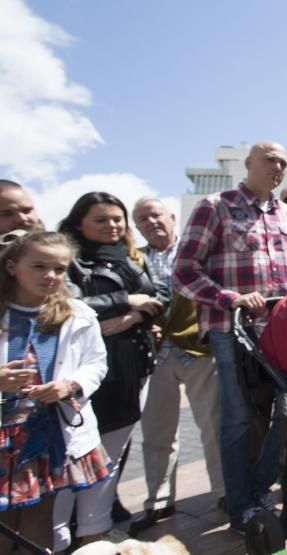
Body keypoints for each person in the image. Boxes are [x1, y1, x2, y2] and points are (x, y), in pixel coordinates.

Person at [173, 141, 287, 533]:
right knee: (237, 420)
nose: (278, 166)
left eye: (283, 162)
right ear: (248, 163)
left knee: (285, 412)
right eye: (270, 159)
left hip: (279, 333)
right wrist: (229, 299)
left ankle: (258, 490)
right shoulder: (215, 205)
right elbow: (183, 271)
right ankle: (241, 505)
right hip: (229, 330)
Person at [55, 192, 169, 547]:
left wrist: (133, 315)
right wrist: (126, 302)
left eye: (117, 219)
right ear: (79, 223)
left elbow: (159, 294)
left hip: (134, 361)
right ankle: (66, 530)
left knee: (114, 449)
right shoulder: (68, 260)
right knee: (78, 450)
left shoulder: (132, 258)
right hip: (88, 370)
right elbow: (69, 303)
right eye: (101, 220)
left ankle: (96, 527)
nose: (112, 226)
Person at [0, 232, 109, 554]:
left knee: (39, 519)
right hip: (5, 435)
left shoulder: (77, 313)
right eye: (38, 266)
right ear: (12, 267)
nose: (50, 276)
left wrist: (69, 385)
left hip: (48, 433)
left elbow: (96, 363)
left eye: (59, 269)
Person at [128, 197, 224, 537]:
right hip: (155, 355)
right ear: (136, 226)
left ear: (172, 217)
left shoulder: (198, 251)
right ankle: (157, 500)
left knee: (212, 426)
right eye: (142, 218)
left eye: (155, 214)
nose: (150, 221)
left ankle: (224, 493)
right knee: (156, 432)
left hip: (196, 348)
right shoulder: (132, 258)